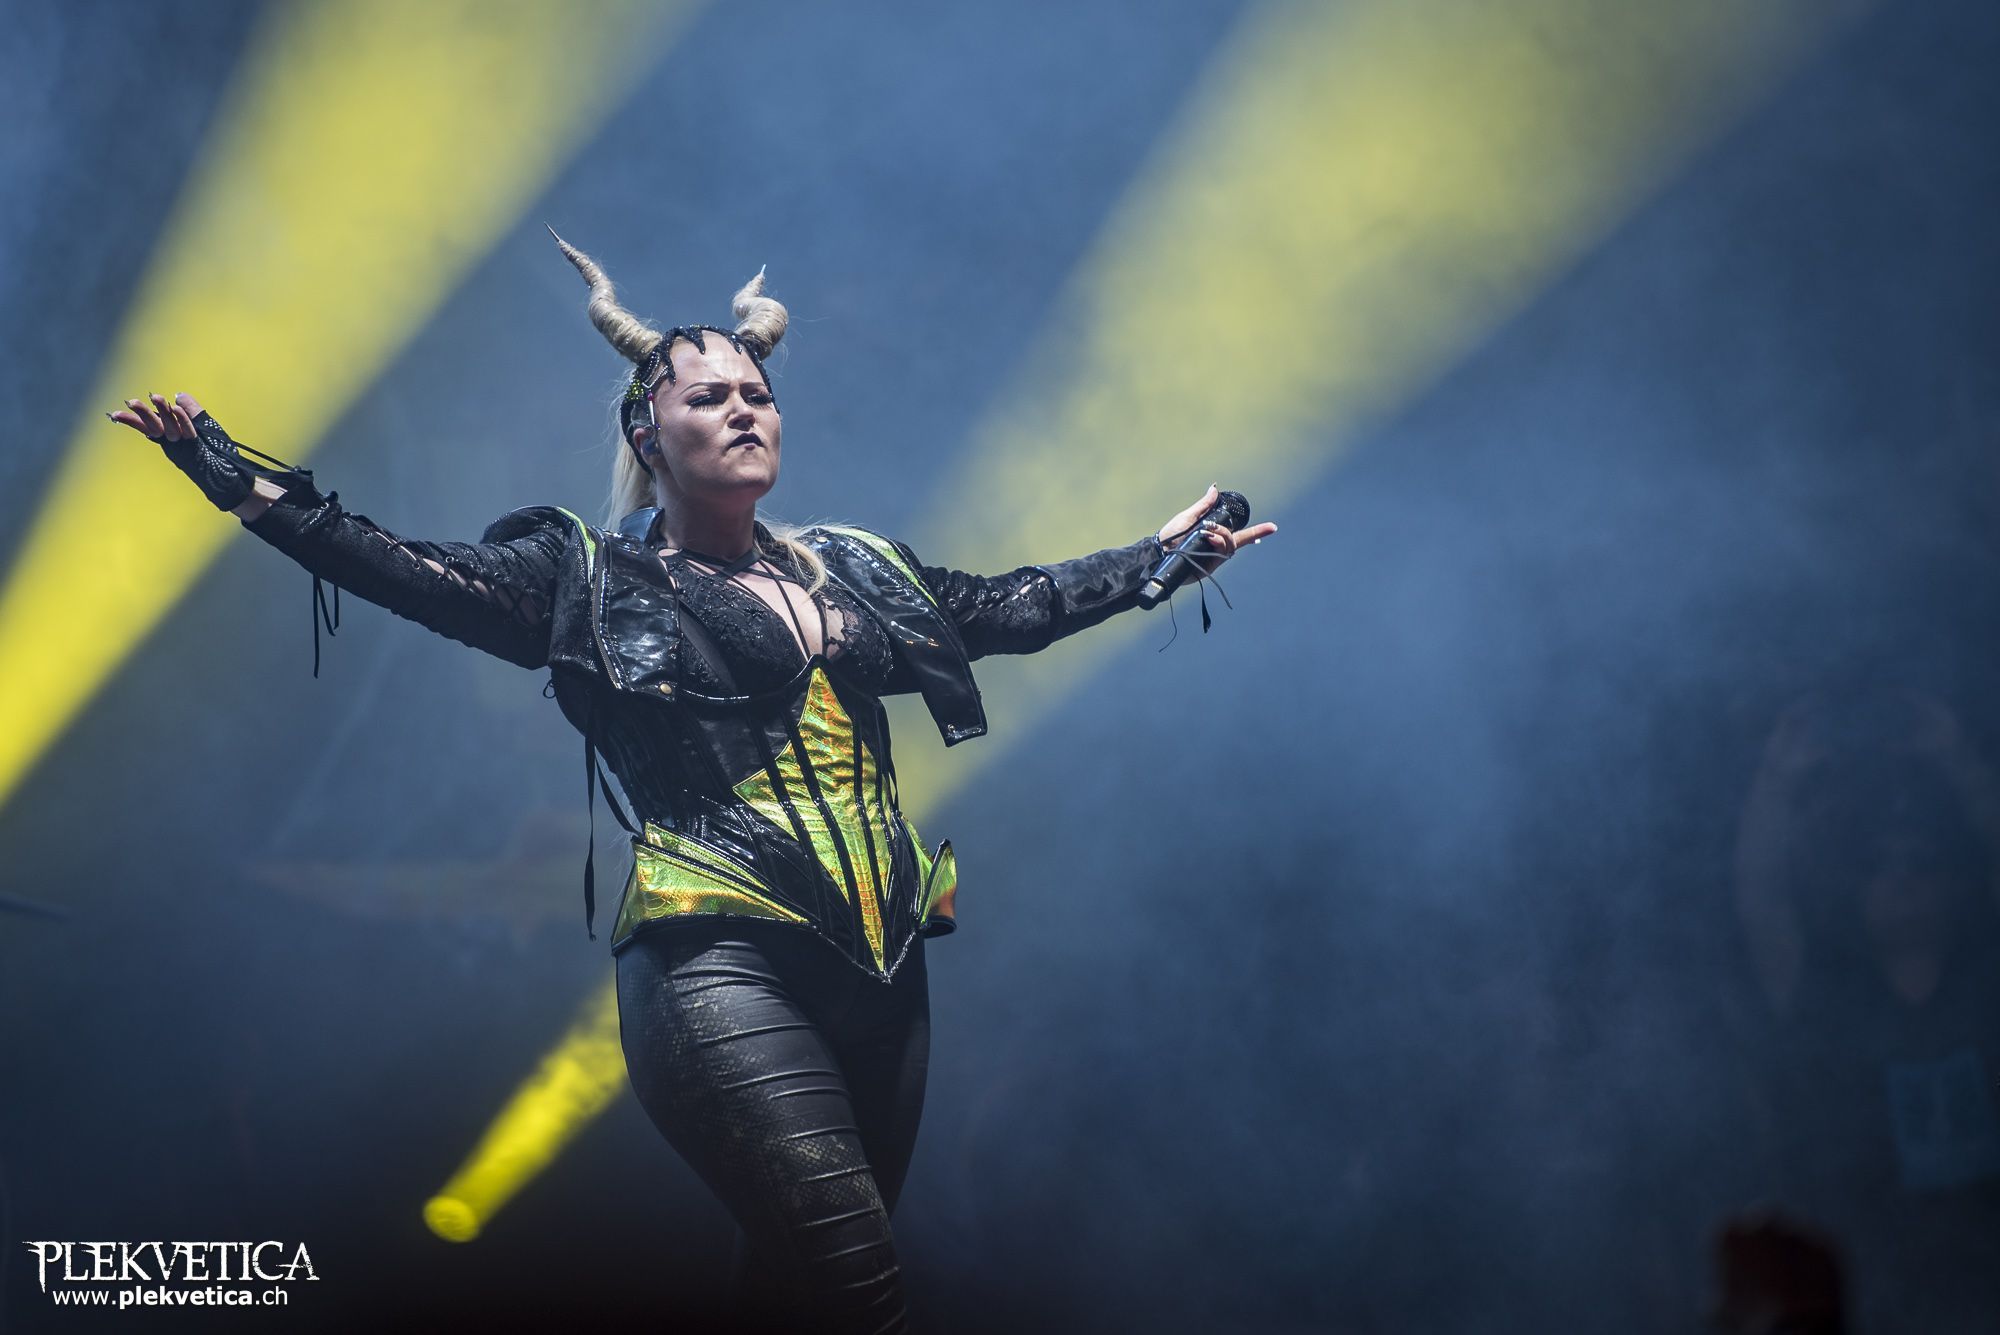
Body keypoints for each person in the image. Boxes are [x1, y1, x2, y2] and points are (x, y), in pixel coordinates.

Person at [109, 238, 1277, 1333]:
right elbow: (405, 570)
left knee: (795, 1289)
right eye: (709, 397)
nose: (742, 410)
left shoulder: (853, 569)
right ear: (648, 430)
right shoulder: (583, 577)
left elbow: (1013, 605)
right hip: (714, 960)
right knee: (857, 1284)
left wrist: (1157, 559)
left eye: (756, 395)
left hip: (883, 967)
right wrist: (240, 483)